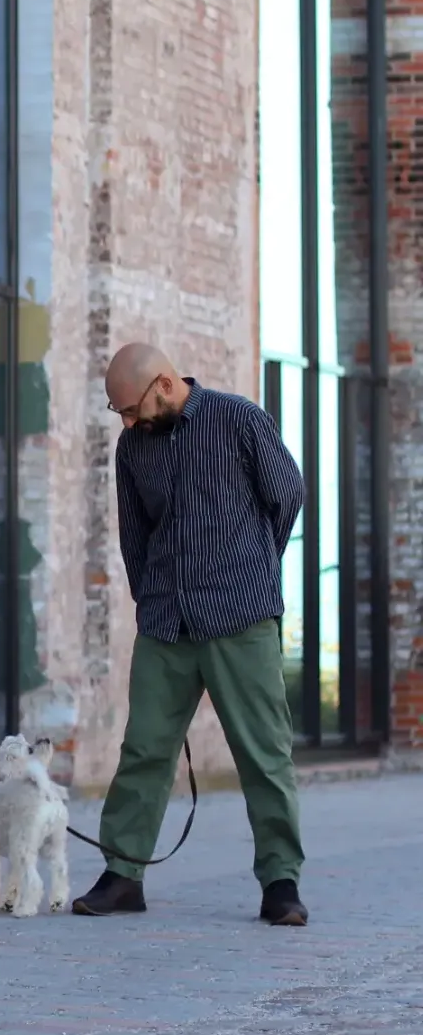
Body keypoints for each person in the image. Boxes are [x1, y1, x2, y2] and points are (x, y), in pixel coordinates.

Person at [71, 342, 309, 926]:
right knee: (144, 750)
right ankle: (123, 874)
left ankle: (280, 882)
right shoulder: (133, 447)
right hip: (165, 622)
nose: (126, 423)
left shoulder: (240, 419)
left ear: (164, 383)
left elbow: (287, 496)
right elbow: (134, 533)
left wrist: (250, 567)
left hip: (240, 617)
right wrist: (150, 595)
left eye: (131, 408)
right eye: (119, 414)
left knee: (263, 752)